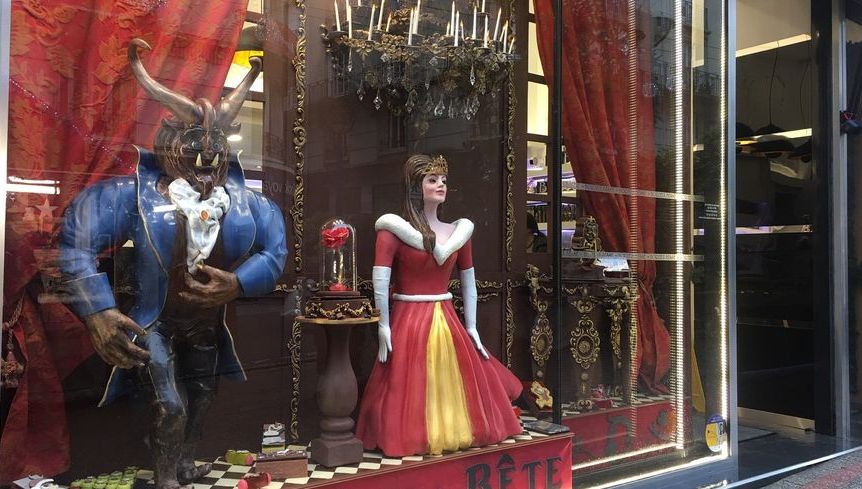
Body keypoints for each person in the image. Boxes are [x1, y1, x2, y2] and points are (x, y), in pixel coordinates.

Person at [58, 40, 287, 489]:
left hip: (206, 325)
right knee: (171, 403)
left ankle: (184, 463)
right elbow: (73, 244)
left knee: (202, 395)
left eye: (215, 145)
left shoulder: (247, 203)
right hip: (152, 322)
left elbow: (275, 252)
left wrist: (240, 282)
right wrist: (99, 312)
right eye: (194, 145)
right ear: (168, 145)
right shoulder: (132, 196)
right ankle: (165, 480)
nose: (207, 157)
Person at [355, 154, 522, 457]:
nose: (440, 185)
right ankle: (410, 436)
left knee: (454, 383)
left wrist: (472, 326)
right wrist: (383, 325)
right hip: (408, 318)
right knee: (410, 383)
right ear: (416, 187)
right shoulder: (392, 230)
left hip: (446, 317)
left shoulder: (460, 231)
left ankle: (454, 431)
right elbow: (380, 279)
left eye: (443, 180)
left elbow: (469, 280)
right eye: (432, 180)